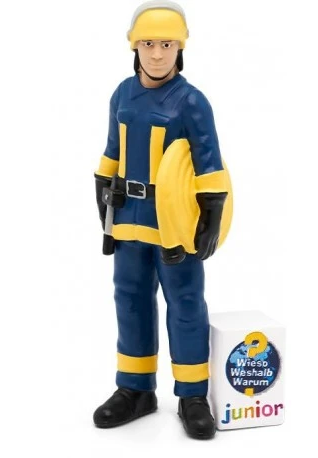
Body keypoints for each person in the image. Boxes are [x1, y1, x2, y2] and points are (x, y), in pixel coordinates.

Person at [92, 0, 229, 439]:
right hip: (129, 218)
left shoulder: (192, 102)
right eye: (148, 43)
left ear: (180, 47)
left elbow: (209, 166)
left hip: (174, 222)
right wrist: (104, 209)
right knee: (129, 299)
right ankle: (135, 389)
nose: (156, 54)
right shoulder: (122, 94)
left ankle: (192, 394)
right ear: (133, 46)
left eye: (166, 44)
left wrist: (210, 218)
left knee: (185, 304)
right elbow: (111, 153)